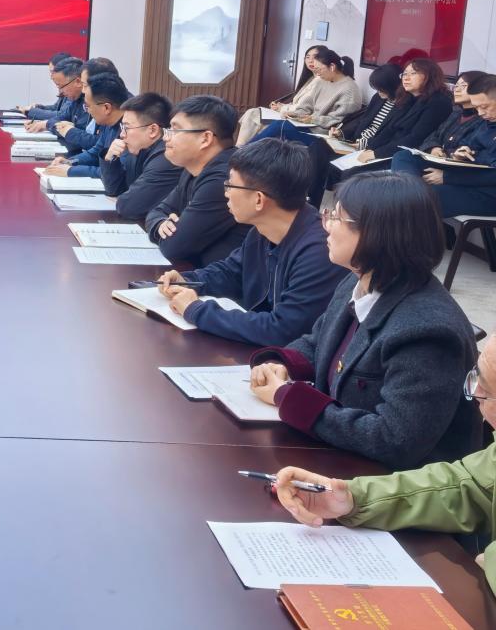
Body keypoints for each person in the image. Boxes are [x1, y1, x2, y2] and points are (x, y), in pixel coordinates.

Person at [247, 172, 480, 470]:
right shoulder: (358, 281)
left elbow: (395, 439)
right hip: (341, 456)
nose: (326, 225)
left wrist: (287, 397)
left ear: (378, 234)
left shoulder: (427, 331)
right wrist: (281, 365)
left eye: (337, 217)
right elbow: (319, 342)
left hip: (393, 481)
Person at [268, 336, 496, 595]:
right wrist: (354, 498)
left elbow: (394, 437)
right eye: (477, 379)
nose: (476, 398)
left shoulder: (430, 332)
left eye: (487, 391)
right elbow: (471, 484)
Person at [157, 140, 347, 346]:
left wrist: (196, 310)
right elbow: (232, 272)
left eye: (230, 185)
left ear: (258, 199)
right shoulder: (262, 229)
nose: (225, 193)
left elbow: (283, 330)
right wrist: (187, 280)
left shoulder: (320, 250)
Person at [145, 95, 250, 266]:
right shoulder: (193, 168)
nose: (165, 137)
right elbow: (158, 210)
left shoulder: (225, 179)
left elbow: (174, 246)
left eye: (175, 130)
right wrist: (159, 224)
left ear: (205, 138)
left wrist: (167, 227)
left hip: (225, 279)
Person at [391, 72, 496, 217]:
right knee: (404, 157)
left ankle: (409, 195)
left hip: (487, 191)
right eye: (477, 107)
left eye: (485, 107)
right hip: (465, 174)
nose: (481, 113)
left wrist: (447, 177)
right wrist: (460, 154)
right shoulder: (487, 123)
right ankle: (410, 190)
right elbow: (467, 144)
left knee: (422, 199)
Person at [304, 63, 404, 206]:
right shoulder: (378, 98)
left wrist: (363, 144)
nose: (378, 92)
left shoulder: (403, 106)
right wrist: (342, 132)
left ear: (392, 86)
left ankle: (330, 206)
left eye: (381, 89)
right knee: (318, 147)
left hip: (370, 149)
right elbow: (363, 121)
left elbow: (391, 135)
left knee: (339, 167)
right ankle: (311, 199)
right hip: (355, 143)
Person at [247, 49, 363, 144]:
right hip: (309, 125)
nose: (317, 74)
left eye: (319, 69)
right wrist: (295, 114)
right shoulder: (321, 81)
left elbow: (339, 122)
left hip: (323, 134)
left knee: (280, 127)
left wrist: (312, 119)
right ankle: (244, 153)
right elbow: (307, 105)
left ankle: (243, 152)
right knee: (278, 124)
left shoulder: (349, 90)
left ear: (332, 66)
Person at [99, 92, 183, 221]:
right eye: (122, 127)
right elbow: (115, 190)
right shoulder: (139, 149)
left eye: (127, 127)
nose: (122, 134)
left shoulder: (166, 159)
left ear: (153, 130)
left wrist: (122, 198)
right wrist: (110, 160)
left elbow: (129, 207)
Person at [235, 44, 328, 145]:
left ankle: (240, 149)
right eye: (308, 57)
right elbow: (298, 103)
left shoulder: (321, 81)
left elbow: (305, 108)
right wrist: (281, 106)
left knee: (254, 115)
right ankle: (240, 148)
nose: (310, 61)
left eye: (315, 57)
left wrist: (281, 108)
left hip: (298, 119)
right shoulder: (310, 79)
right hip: (290, 114)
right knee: (252, 113)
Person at [42, 73, 129, 178]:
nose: (87, 111)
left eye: (87, 106)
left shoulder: (129, 130)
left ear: (106, 108)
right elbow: (95, 153)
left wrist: (71, 171)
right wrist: (69, 162)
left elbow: (119, 173)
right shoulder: (109, 122)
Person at [51, 58, 119, 151]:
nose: (83, 90)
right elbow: (97, 149)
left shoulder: (120, 109)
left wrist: (71, 131)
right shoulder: (81, 99)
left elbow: (99, 146)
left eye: (85, 85)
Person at [21, 56, 86, 135]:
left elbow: (82, 135)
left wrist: (68, 130)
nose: (60, 91)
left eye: (61, 86)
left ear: (78, 82)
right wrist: (44, 123)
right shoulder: (76, 100)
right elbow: (61, 117)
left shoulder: (88, 100)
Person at [17, 52, 76, 119]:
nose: (51, 77)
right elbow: (56, 108)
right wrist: (38, 107)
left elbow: (61, 115)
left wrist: (30, 111)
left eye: (53, 72)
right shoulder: (65, 87)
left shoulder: (72, 90)